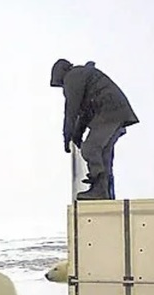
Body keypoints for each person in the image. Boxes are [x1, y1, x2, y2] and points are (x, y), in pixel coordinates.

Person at [50, 59, 139, 200]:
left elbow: (71, 110)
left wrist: (67, 137)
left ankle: (99, 190)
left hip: (109, 112)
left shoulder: (72, 76)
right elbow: (85, 113)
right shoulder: (84, 76)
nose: (63, 87)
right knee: (103, 156)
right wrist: (77, 135)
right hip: (116, 112)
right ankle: (105, 193)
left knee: (90, 148)